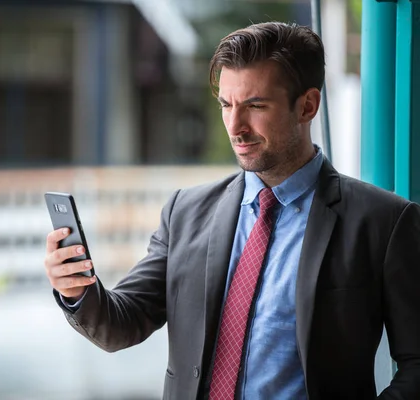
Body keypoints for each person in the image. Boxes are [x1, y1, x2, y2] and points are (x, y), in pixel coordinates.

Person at [43, 22, 420, 399]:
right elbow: (122, 323)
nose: (236, 127)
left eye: (255, 106)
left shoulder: (383, 222)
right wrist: (78, 291)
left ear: (307, 106)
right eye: (226, 105)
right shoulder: (185, 212)